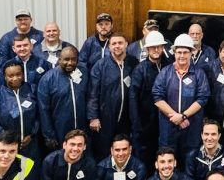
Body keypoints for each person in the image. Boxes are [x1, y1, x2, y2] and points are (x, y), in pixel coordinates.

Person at [153, 34, 210, 159]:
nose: (182, 56)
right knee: (167, 159)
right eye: (179, 52)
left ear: (191, 53)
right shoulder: (165, 73)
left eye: (185, 52)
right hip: (168, 126)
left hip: (191, 125)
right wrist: (176, 116)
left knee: (190, 160)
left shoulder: (199, 74)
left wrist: (183, 116)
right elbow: (157, 97)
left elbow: (202, 98)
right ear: (174, 53)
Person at [88, 32, 137, 158]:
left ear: (126, 44)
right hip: (105, 118)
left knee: (124, 150)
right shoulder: (100, 65)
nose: (117, 46)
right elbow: (93, 92)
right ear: (109, 46)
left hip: (127, 118)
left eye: (120, 43)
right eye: (113, 43)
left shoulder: (134, 63)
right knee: (104, 150)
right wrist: (93, 117)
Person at [0, 59, 41, 160]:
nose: (15, 78)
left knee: (31, 172)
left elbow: (39, 114)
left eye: (18, 74)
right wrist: (7, 138)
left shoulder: (33, 90)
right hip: (6, 146)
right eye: (11, 76)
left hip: (30, 144)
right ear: (4, 77)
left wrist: (31, 134)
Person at [129, 31, 169, 171]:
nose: (156, 50)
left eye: (159, 46)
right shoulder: (140, 70)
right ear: (147, 49)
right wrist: (136, 124)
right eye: (153, 47)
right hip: (145, 122)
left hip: (166, 120)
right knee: (145, 155)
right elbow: (133, 98)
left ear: (163, 47)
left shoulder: (169, 66)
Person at [38, 45, 88, 151]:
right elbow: (43, 110)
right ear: (59, 59)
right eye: (66, 59)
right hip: (59, 130)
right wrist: (49, 135)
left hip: (81, 127)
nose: (69, 63)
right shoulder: (48, 79)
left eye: (73, 59)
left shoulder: (84, 73)